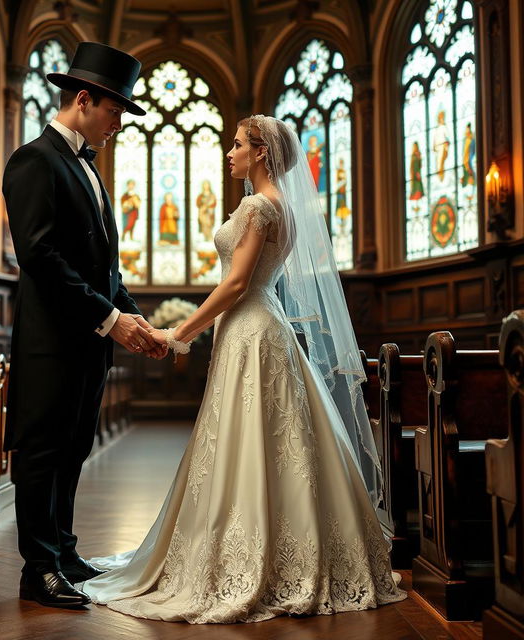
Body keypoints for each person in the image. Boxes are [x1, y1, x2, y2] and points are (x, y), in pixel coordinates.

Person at [82, 115, 406, 623]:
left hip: (251, 327)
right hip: (261, 326)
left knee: (254, 438)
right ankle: (288, 544)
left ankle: (257, 556)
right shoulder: (286, 209)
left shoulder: (258, 206)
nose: (229, 152)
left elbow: (235, 286)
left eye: (236, 145)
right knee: (275, 441)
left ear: (260, 152)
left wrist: (178, 334)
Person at [2, 42, 166, 610]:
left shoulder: (87, 167)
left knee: (73, 448)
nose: (119, 123)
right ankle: (39, 567)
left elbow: (104, 265)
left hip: (89, 343)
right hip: (51, 343)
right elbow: (41, 258)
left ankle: (65, 553)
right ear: (83, 99)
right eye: (116, 110)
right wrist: (108, 318)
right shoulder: (34, 160)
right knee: (42, 453)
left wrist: (133, 319)